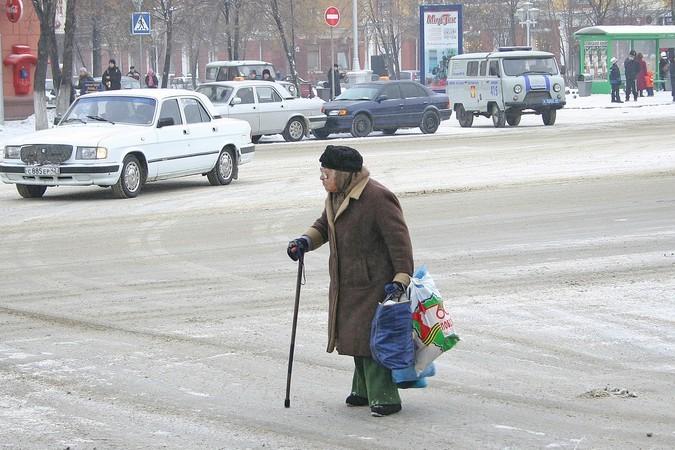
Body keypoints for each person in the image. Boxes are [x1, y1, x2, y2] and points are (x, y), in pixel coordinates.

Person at [287, 145, 414, 417]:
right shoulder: (337, 196)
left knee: (373, 340)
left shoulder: (378, 198)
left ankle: (385, 396)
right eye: (321, 173)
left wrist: (401, 278)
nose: (322, 179)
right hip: (347, 281)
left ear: (344, 174)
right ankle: (363, 389)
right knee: (354, 337)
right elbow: (324, 225)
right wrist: (304, 242)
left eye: (326, 173)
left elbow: (400, 242)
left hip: (376, 283)